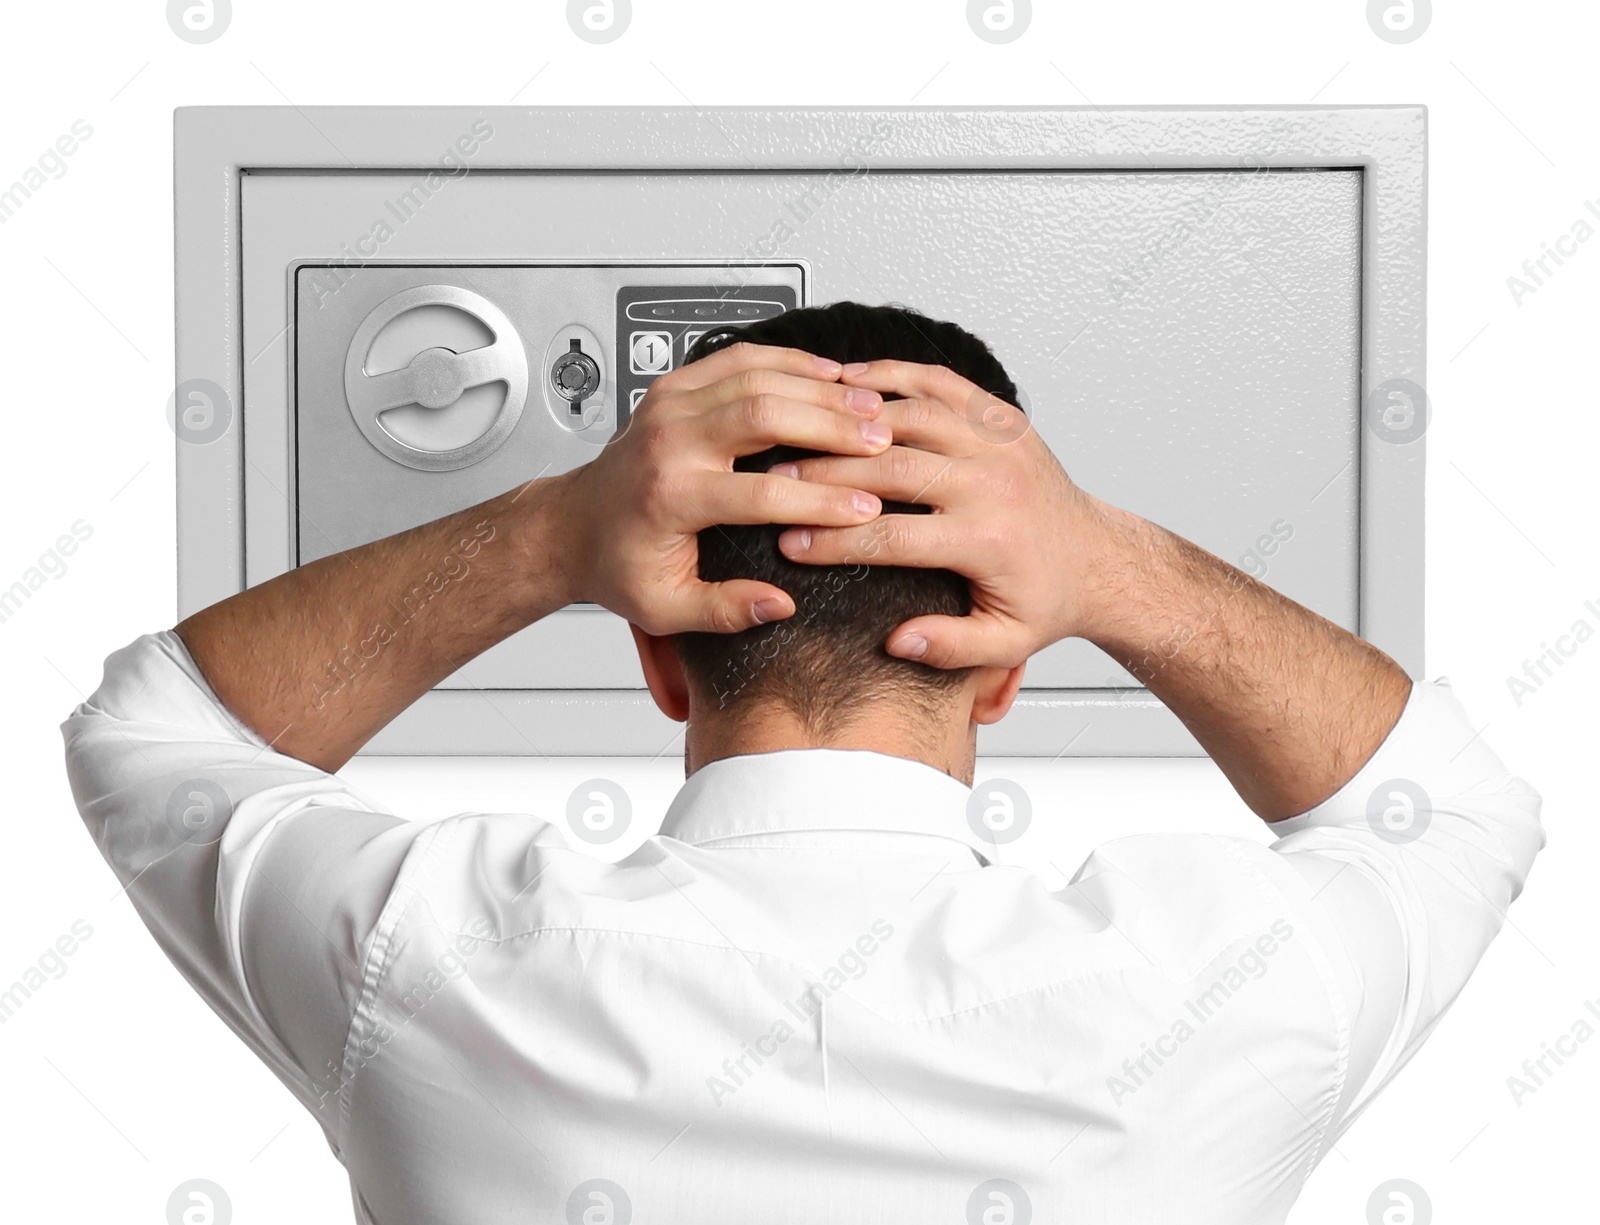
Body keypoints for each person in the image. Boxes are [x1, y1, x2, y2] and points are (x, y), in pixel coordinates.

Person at [63, 302, 1542, 1225]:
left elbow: (149, 735)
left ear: (658, 655)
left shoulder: (425, 946)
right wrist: (1112, 565)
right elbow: (1457, 808)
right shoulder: (1233, 978)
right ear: (1006, 662)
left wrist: (555, 533)